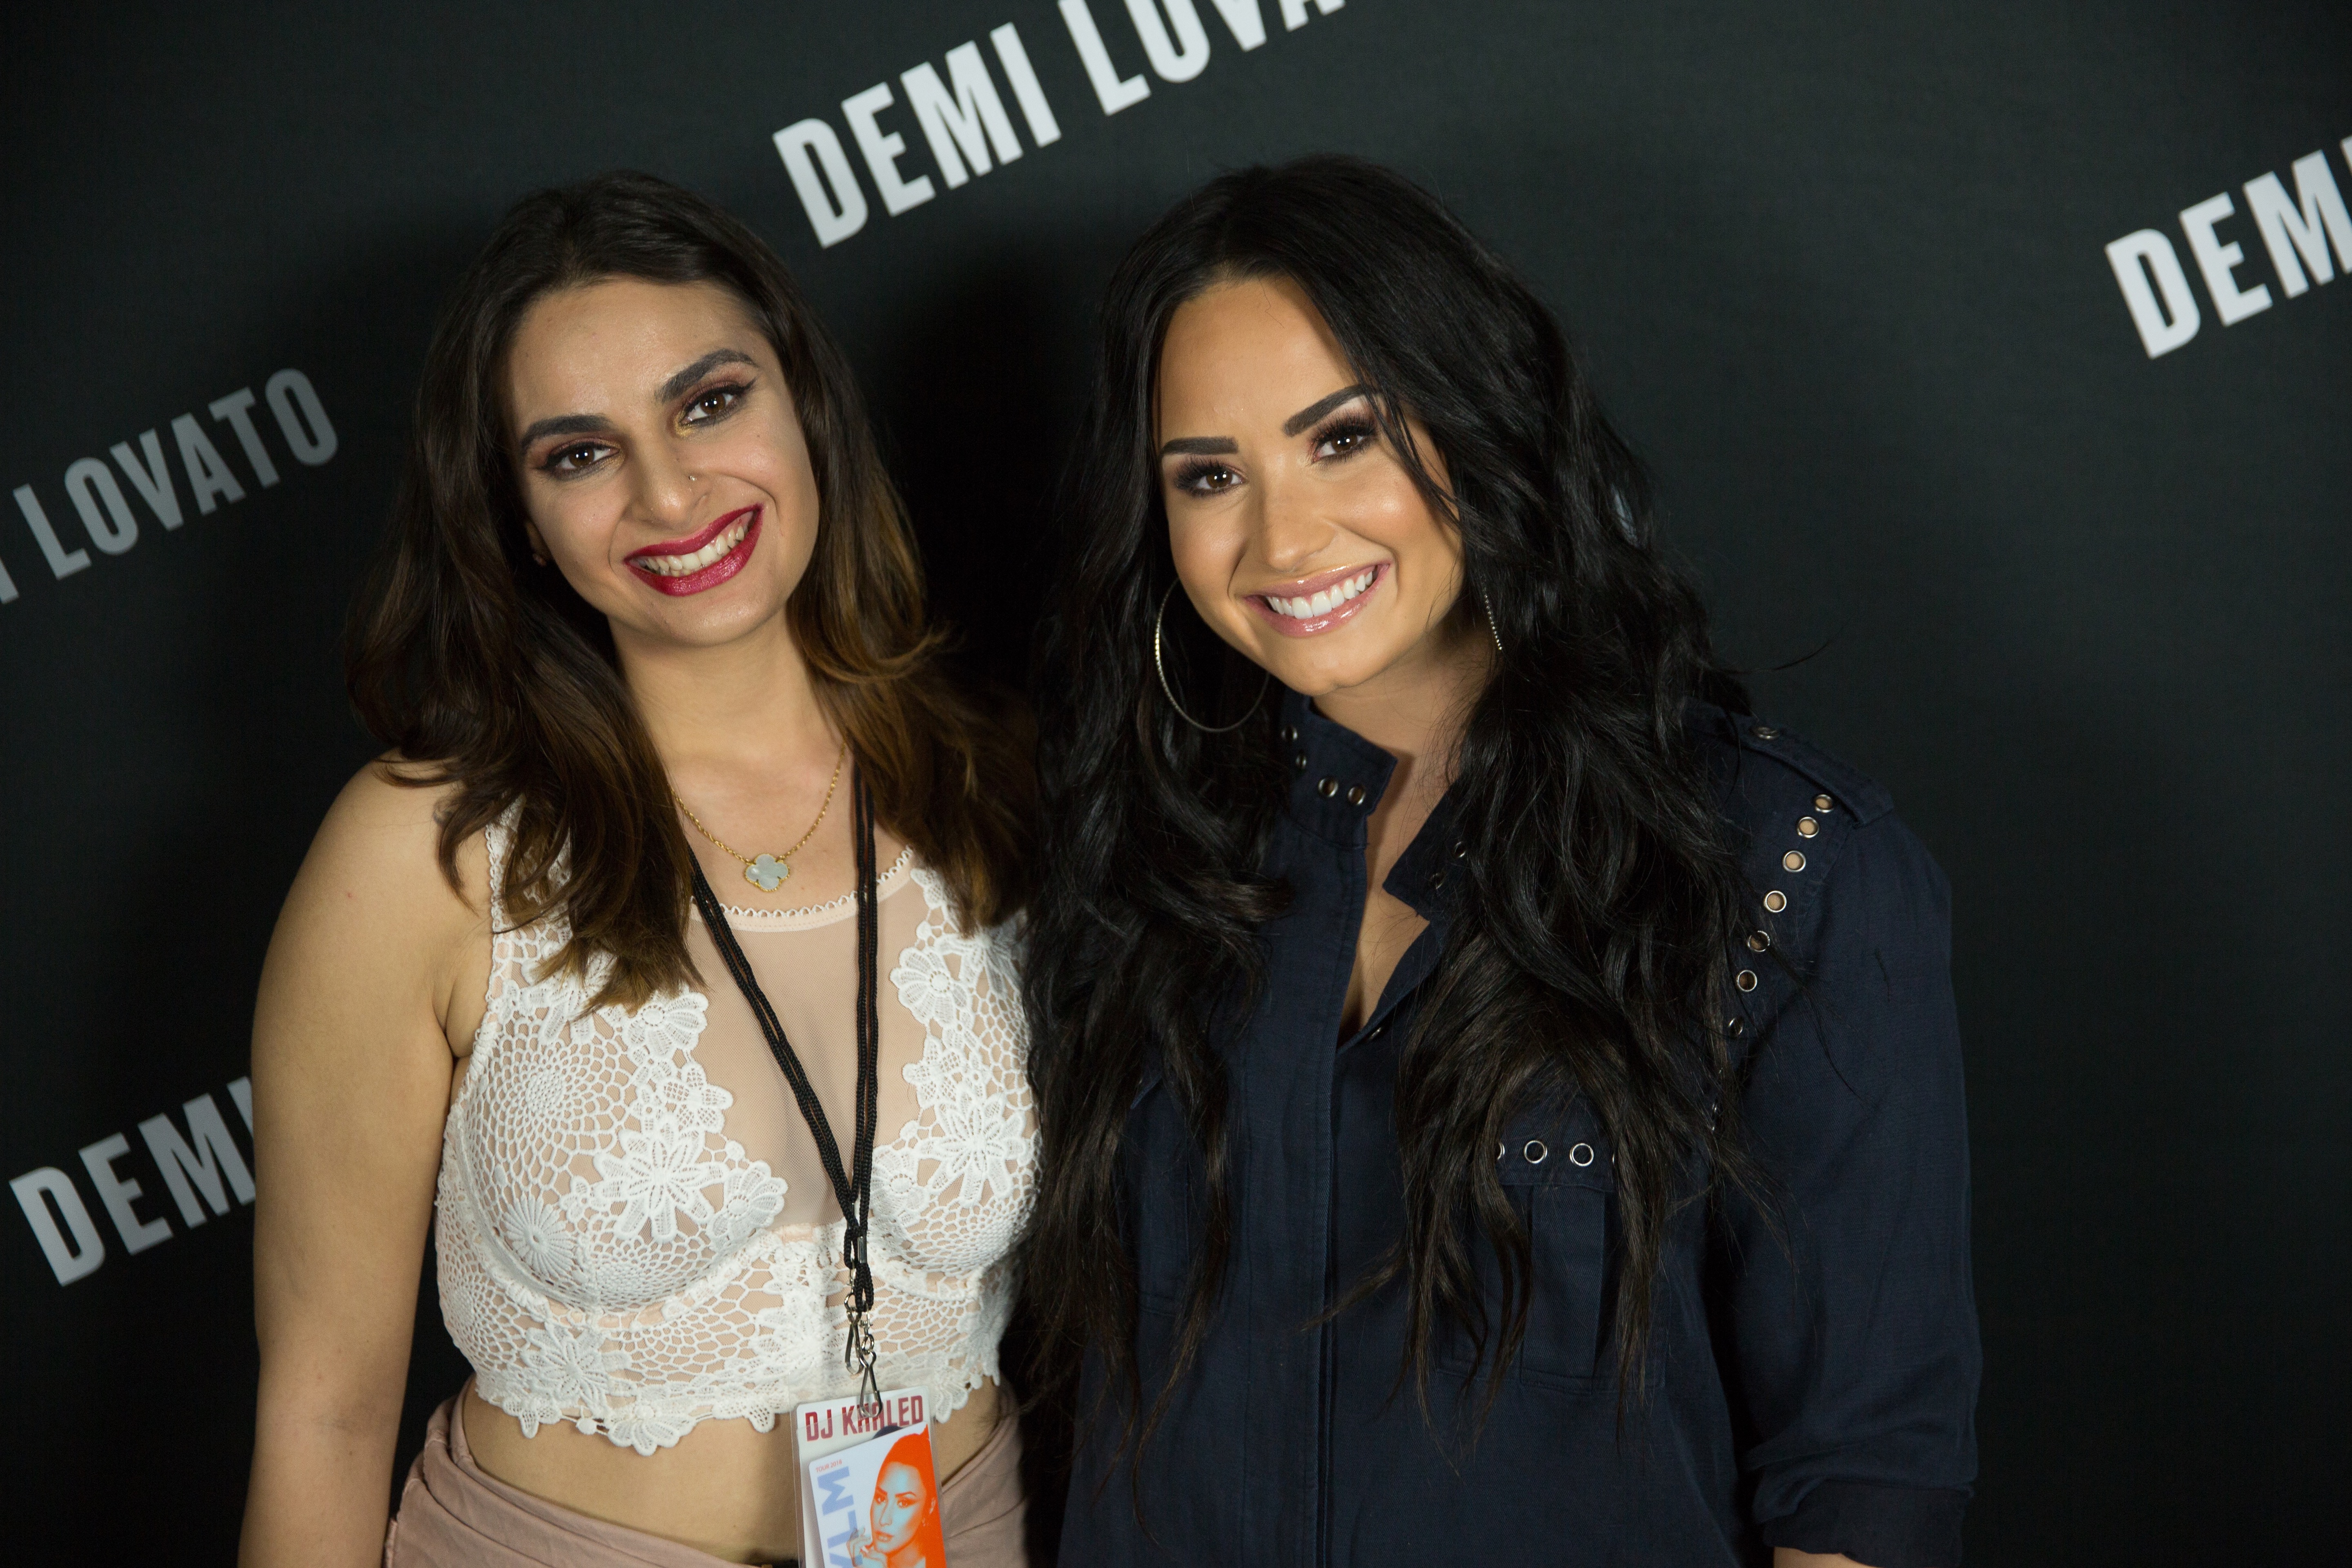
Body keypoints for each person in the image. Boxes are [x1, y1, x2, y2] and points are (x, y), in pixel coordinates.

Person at [1022, 156, 1979, 1566]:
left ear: (1480, 417)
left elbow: (1864, 1485)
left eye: (1343, 438)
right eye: (1210, 476)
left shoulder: (1779, 866)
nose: (1282, 537)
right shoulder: (1129, 853)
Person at [240, 172, 1036, 1568]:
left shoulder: (989, 786)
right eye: (578, 454)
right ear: (516, 515)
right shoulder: (427, 856)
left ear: (806, 403)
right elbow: (323, 1416)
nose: (669, 493)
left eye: (710, 403)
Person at [856, 1431, 949, 1568]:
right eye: (881, 1499)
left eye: (903, 1503)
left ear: (930, 1507)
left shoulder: (945, 1560)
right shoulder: (861, 1559)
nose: (884, 1520)